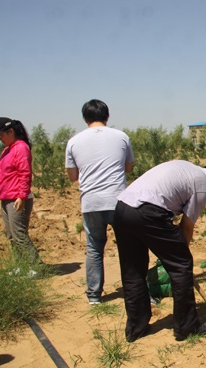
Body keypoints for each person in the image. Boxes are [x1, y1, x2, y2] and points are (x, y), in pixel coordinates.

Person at [113, 161, 206, 342]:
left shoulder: (187, 168)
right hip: (147, 211)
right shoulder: (202, 186)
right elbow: (187, 227)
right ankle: (187, 327)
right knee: (182, 265)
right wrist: (179, 258)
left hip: (122, 209)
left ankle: (136, 328)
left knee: (133, 271)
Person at [65, 99, 135, 305]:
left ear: (85, 118)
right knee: (128, 246)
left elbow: (71, 176)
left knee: (94, 248)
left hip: (91, 202)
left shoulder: (74, 141)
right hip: (118, 200)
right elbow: (128, 168)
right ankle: (136, 290)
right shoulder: (121, 137)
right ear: (107, 116)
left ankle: (94, 296)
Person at [0, 117, 40, 266]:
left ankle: (36, 267)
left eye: (1, 135)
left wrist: (21, 196)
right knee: (11, 236)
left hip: (17, 198)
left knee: (19, 235)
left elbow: (25, 174)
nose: (0, 139)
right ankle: (21, 266)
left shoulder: (21, 148)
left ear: (11, 131)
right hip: (6, 198)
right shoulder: (7, 150)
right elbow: (4, 173)